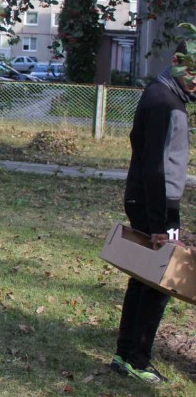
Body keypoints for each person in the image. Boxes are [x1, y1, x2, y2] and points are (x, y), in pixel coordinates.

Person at [110, 38, 195, 385]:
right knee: (159, 284)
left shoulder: (159, 93)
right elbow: (156, 167)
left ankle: (124, 353)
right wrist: (162, 223)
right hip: (156, 206)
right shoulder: (166, 104)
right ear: (177, 63)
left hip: (145, 201)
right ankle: (137, 359)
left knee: (143, 279)